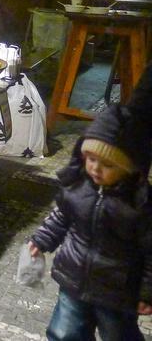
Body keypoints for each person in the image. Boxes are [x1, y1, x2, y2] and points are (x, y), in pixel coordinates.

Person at [29, 104, 152, 341]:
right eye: (91, 158)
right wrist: (42, 239)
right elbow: (62, 216)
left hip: (117, 291)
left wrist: (147, 292)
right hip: (74, 278)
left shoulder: (140, 206)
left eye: (108, 164)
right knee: (64, 333)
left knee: (118, 335)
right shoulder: (78, 187)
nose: (95, 168)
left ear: (129, 168)